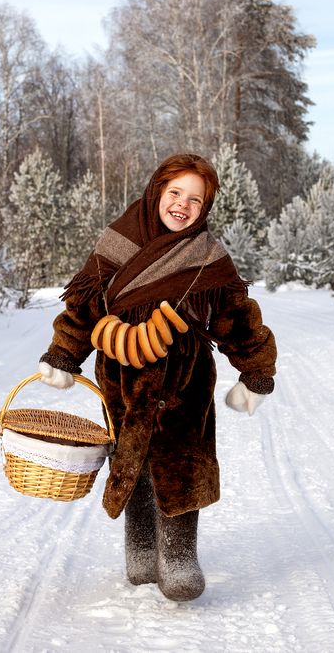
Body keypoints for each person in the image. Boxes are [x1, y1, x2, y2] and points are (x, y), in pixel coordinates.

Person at [37, 152, 277, 602]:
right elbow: (85, 308)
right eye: (175, 193)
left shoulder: (207, 258)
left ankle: (180, 556)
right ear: (156, 193)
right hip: (122, 380)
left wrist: (256, 371)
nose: (183, 205)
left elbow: (238, 319)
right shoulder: (118, 243)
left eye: (195, 199)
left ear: (205, 208)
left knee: (180, 464)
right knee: (133, 462)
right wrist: (64, 353)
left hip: (184, 383)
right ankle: (142, 550)